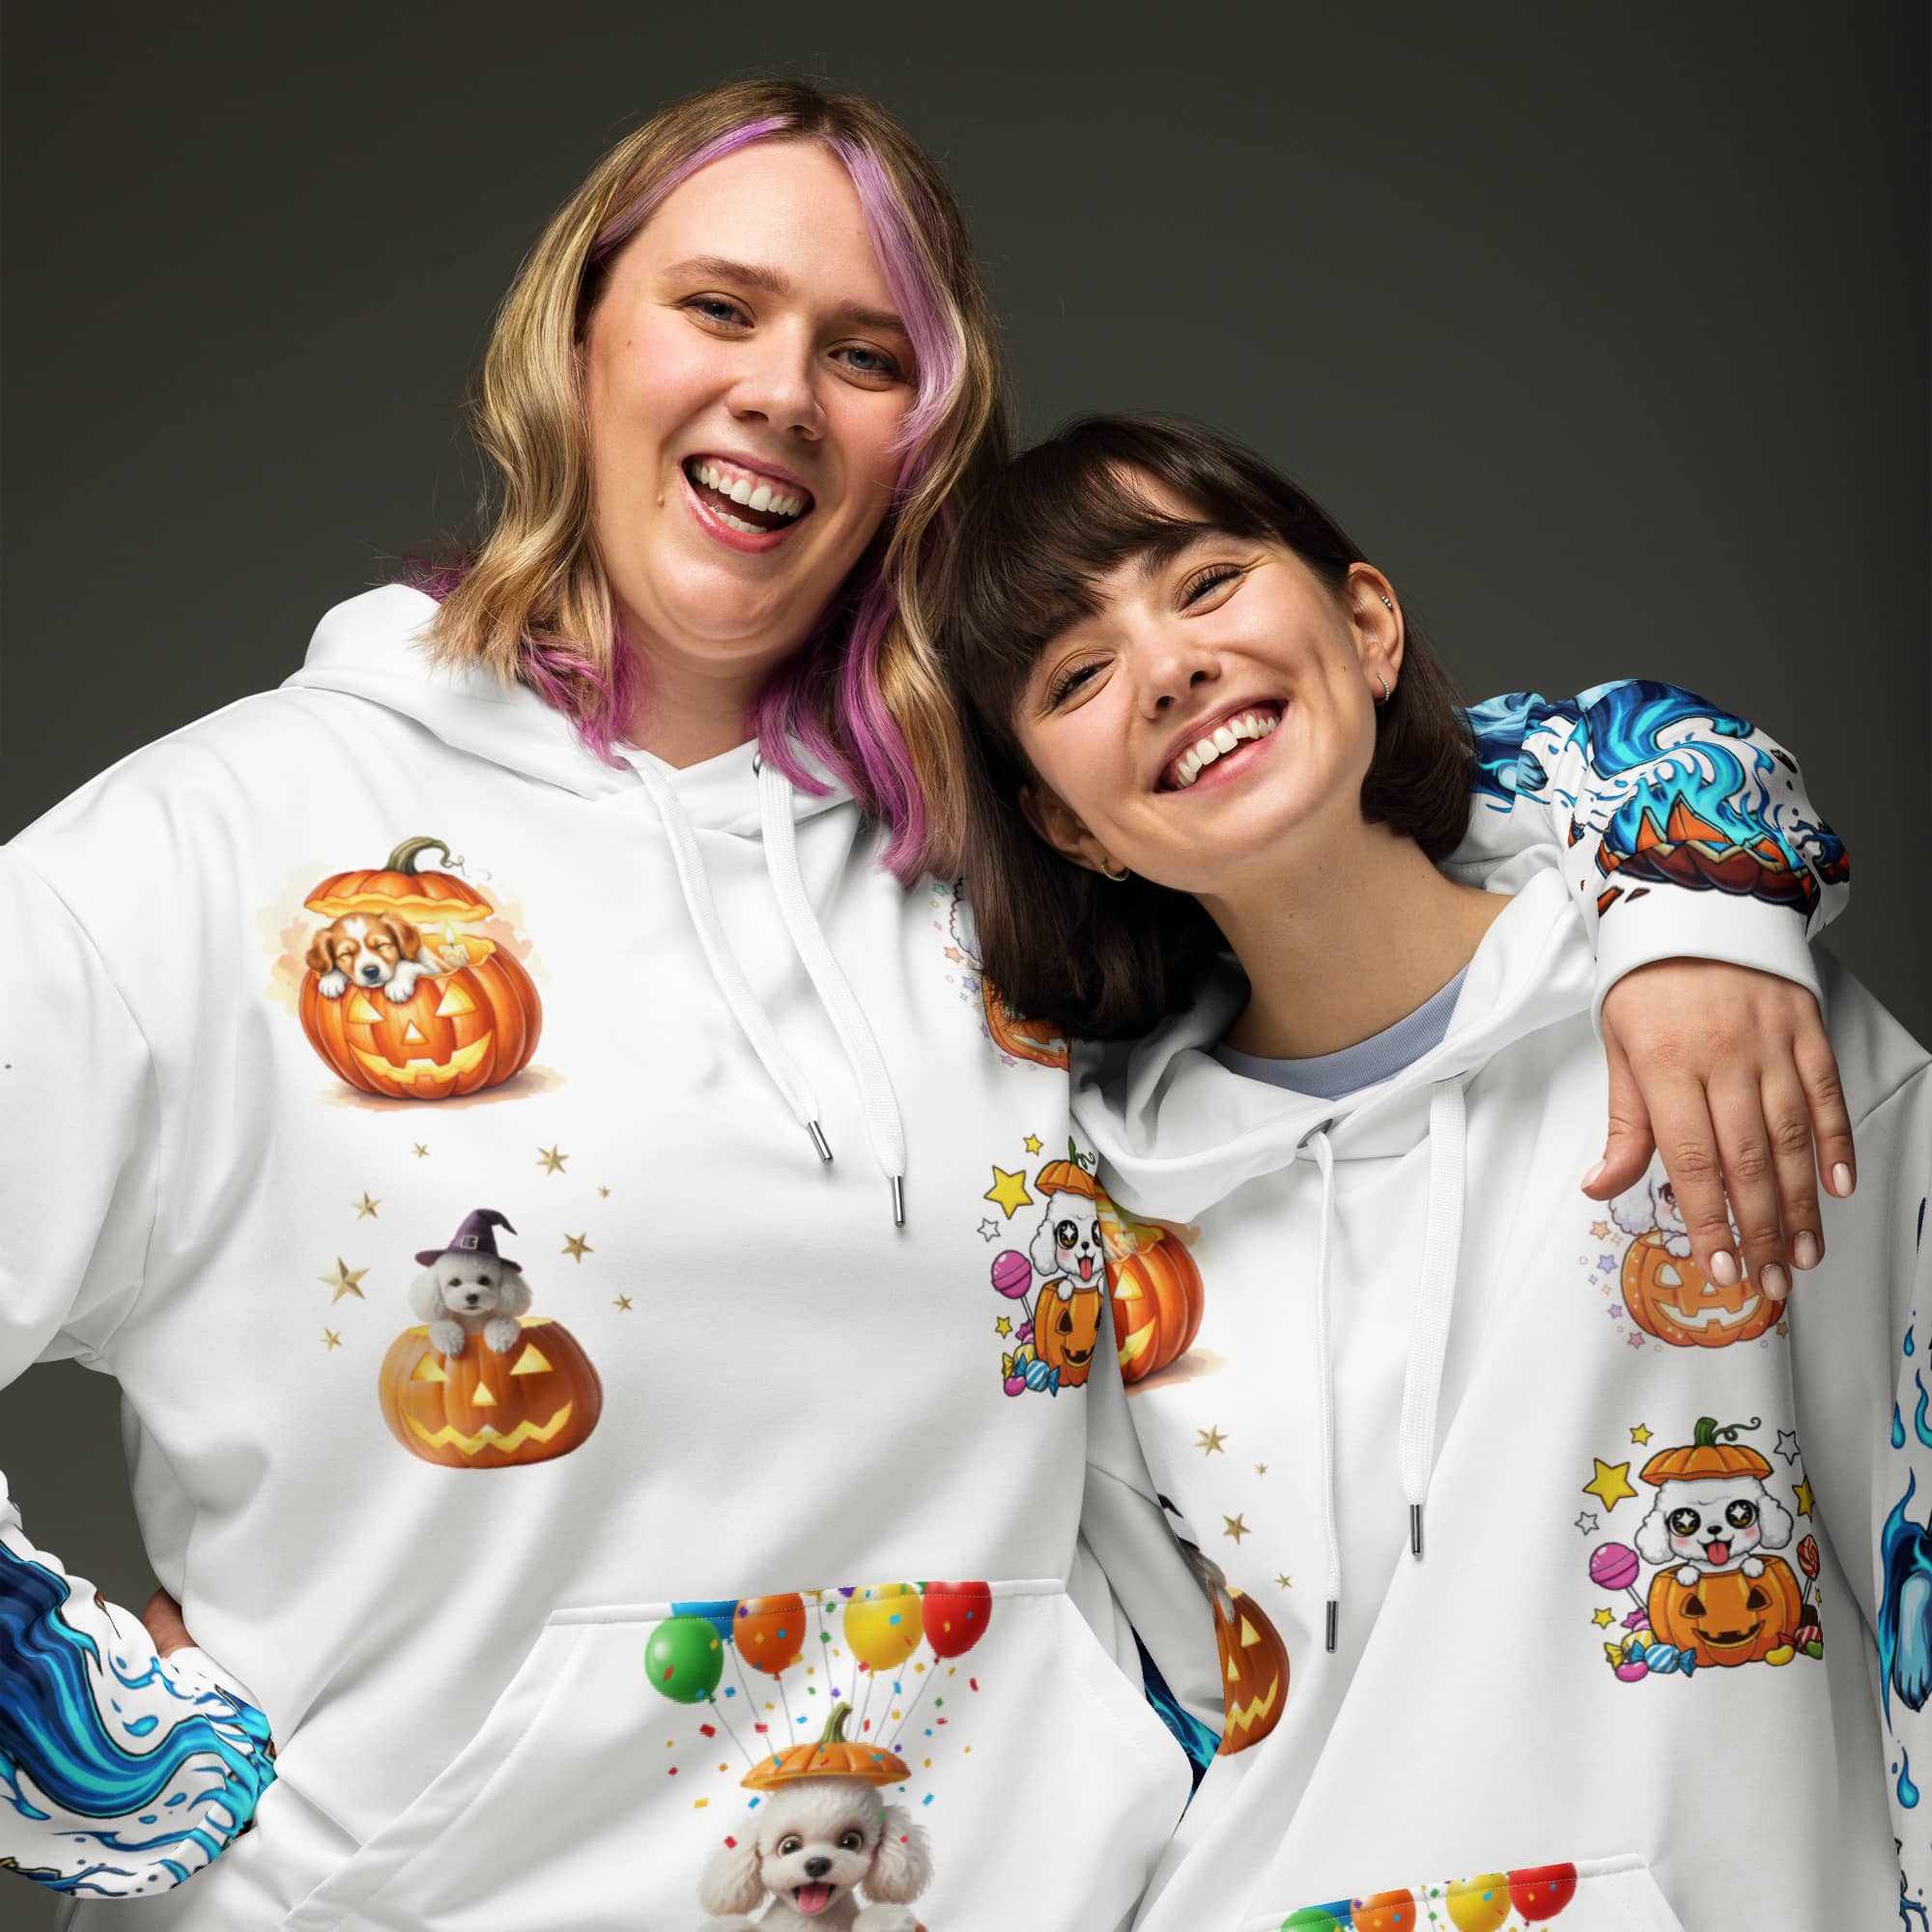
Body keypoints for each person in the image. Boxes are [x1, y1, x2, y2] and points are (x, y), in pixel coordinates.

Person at [0, 83, 1861, 1927]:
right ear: (577, 341)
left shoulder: (1002, 851)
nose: (781, 394)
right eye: (718, 310)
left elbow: (1404, 778)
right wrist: (108, 1760)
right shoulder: (218, 849)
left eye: (866, 353)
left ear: (924, 438)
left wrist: (1708, 906)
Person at [939, 412, 1924, 1929]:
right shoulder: (1106, 1223)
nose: (1168, 668)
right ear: (1072, 826)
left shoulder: (1723, 1015)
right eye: (1075, 677)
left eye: (1203, 586)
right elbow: (1146, 1718)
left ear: (1366, 623)